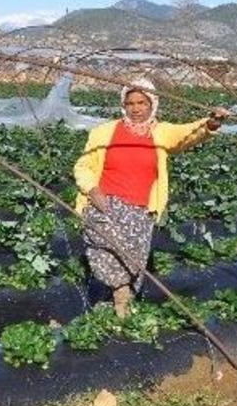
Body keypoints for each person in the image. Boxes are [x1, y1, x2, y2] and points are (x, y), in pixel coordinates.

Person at [73, 77, 228, 318]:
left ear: (152, 104)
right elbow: (83, 166)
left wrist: (210, 123)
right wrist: (93, 190)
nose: (135, 108)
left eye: (142, 103)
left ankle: (120, 300)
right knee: (102, 246)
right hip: (105, 202)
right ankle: (120, 294)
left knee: (132, 259)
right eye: (130, 103)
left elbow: (187, 133)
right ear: (123, 105)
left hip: (140, 208)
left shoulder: (161, 132)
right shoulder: (103, 132)